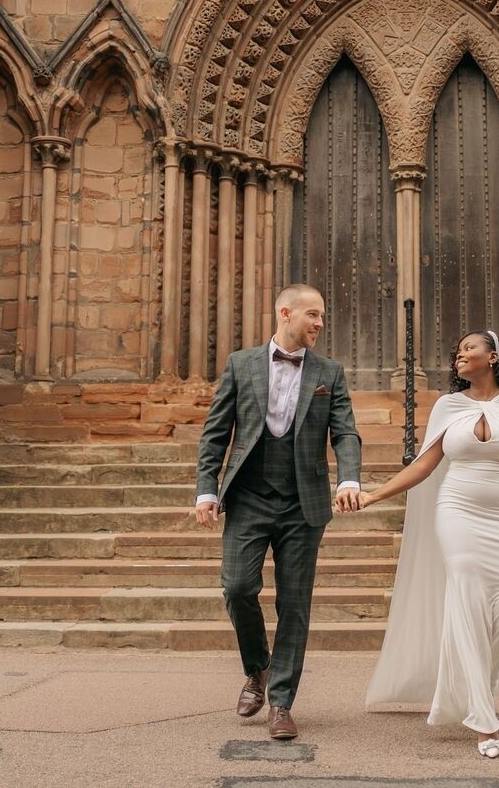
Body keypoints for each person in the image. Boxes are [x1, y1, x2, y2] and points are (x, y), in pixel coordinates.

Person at [361, 330, 499, 759]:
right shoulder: (448, 407)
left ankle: (476, 692)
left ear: (493, 356)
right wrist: (374, 495)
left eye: (469, 348)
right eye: (458, 351)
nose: (459, 355)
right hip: (458, 514)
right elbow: (424, 464)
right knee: (467, 601)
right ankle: (484, 721)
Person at [194, 284, 363, 741]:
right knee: (237, 586)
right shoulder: (240, 364)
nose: (320, 323)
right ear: (285, 312)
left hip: (302, 503)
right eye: (313, 314)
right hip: (248, 496)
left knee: (295, 605)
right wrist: (206, 490)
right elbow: (215, 434)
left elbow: (345, 433)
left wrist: (348, 478)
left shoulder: (329, 372)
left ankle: (282, 702)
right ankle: (258, 667)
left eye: (323, 316)